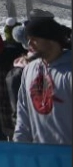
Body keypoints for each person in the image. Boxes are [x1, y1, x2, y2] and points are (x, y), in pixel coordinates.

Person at [13, 17, 72, 145]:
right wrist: (19, 146)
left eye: (34, 40)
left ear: (51, 41)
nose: (29, 44)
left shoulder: (69, 71)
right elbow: (23, 113)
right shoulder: (29, 69)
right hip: (40, 156)